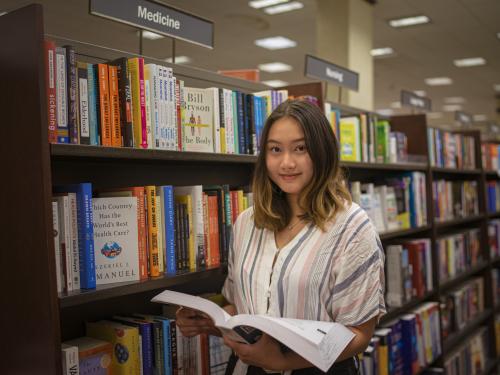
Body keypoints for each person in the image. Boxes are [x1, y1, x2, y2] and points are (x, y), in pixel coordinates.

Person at [176, 99, 386, 374]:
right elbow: (238, 305)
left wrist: (283, 362)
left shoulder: (352, 227)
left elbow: (359, 333)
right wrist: (208, 322)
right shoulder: (246, 223)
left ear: (322, 153)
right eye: (275, 149)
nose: (286, 163)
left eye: (300, 148)